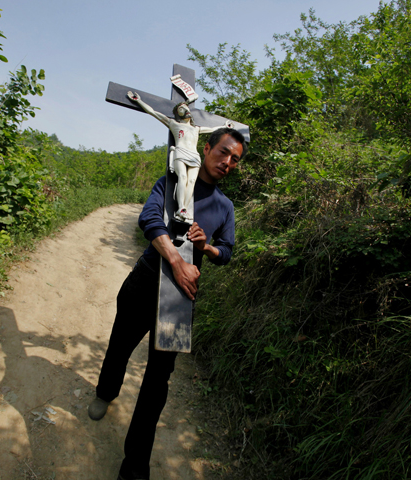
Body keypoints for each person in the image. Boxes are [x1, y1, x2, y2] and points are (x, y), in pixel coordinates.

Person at [89, 127, 247, 480]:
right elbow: (148, 219)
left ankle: (135, 466)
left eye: (235, 159)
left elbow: (227, 252)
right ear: (205, 148)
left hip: (181, 297)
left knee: (157, 381)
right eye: (223, 152)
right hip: (146, 279)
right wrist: (177, 261)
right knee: (120, 346)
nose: (227, 162)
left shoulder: (224, 207)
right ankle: (106, 392)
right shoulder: (170, 184)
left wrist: (206, 247)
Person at [126, 90, 233, 223]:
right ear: (179, 113)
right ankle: (181, 207)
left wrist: (225, 126)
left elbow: (215, 129)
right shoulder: (174, 124)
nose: (185, 110)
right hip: (180, 153)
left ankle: (184, 210)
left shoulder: (196, 128)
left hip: (194, 156)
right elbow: (153, 112)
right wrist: (139, 101)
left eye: (186, 107)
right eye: (181, 109)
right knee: (182, 177)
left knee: (192, 182)